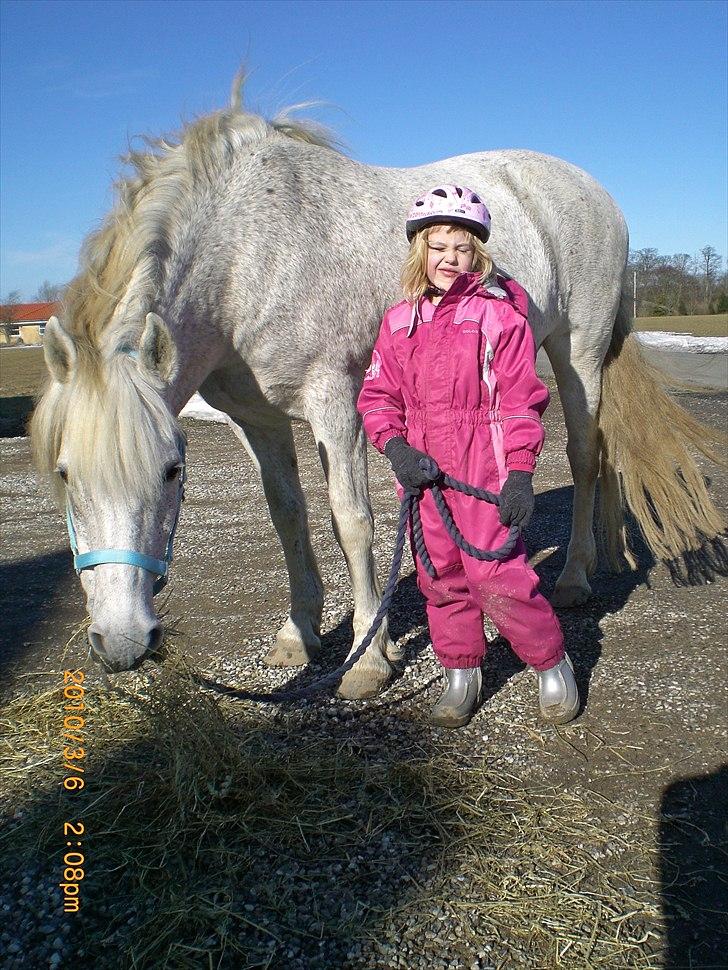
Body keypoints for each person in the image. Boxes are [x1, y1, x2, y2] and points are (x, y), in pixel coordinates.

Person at [357, 184, 579, 728]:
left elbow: (521, 400)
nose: (449, 259)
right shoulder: (397, 322)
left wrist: (522, 474)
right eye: (438, 247)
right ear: (420, 252)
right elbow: (377, 396)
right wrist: (396, 447)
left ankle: (551, 663)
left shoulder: (499, 318)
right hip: (424, 477)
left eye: (461, 248)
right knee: (440, 579)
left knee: (498, 576)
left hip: (485, 465)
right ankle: (462, 670)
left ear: (476, 253)